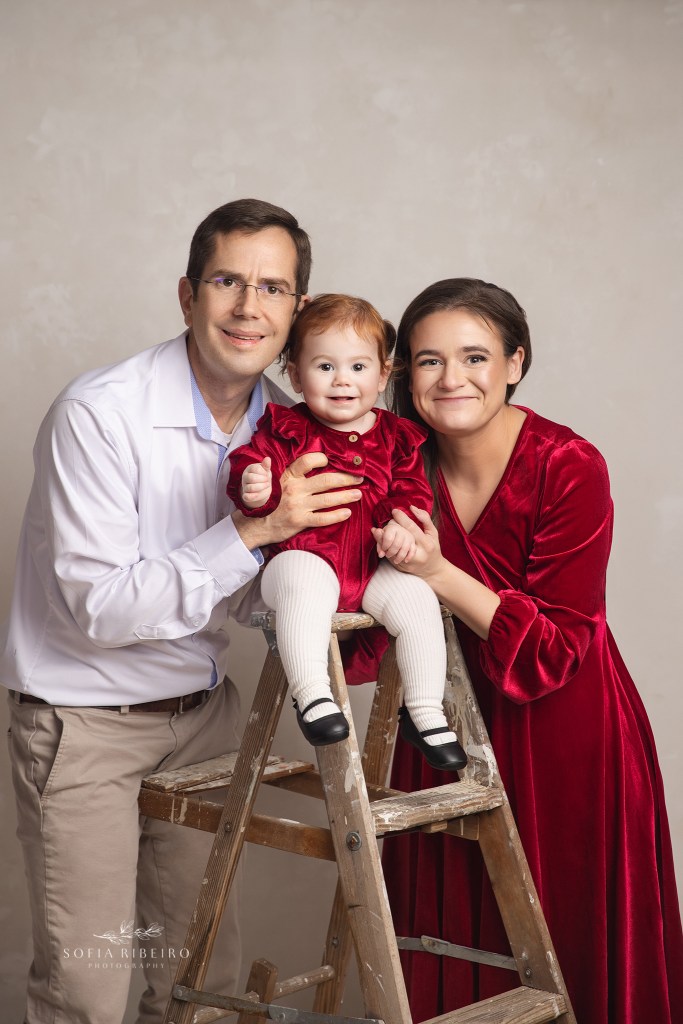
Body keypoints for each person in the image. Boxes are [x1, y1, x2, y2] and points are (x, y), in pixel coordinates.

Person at [1, 199, 366, 1024]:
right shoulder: (99, 413)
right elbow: (102, 608)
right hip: (84, 722)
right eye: (227, 280)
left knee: (204, 981)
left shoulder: (292, 424)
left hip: (203, 717)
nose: (248, 306)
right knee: (86, 991)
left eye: (273, 288)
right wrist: (257, 530)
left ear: (297, 310)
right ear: (187, 293)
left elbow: (250, 593)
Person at [379, 278, 683, 1024]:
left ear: (515, 362)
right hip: (442, 725)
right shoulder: (395, 463)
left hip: (562, 737)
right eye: (427, 360)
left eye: (474, 356)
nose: (451, 379)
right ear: (402, 374)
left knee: (567, 944)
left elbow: (551, 649)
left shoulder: (569, 465)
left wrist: (436, 570)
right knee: (447, 935)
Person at [227, 293, 466, 770]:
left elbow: (413, 492)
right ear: (295, 375)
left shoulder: (396, 437)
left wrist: (402, 522)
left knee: (416, 598)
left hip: (371, 565)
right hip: (302, 559)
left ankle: (423, 710)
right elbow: (254, 465)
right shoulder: (288, 427)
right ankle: (313, 695)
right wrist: (254, 484)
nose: (342, 380)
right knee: (300, 575)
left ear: (382, 375)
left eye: (358, 368)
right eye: (324, 367)